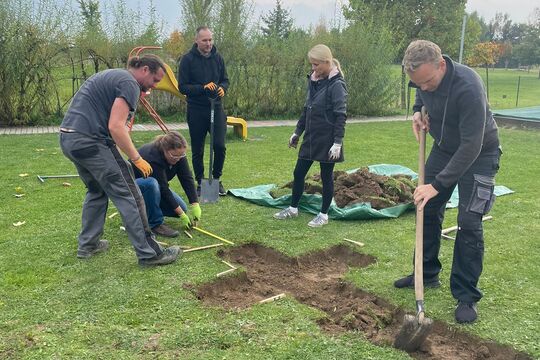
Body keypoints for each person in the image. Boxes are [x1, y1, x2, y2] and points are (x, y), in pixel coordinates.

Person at [394, 40, 501, 324]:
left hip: (479, 152)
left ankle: (466, 295)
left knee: (469, 220)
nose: (424, 87)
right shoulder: (423, 81)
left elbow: (471, 146)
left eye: (428, 81)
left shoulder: (468, 87)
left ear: (442, 65)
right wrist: (418, 111)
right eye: (418, 84)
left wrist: (437, 185)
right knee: (425, 207)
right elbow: (422, 95)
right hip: (444, 147)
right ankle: (425, 274)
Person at [59, 54, 181, 267]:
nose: (153, 87)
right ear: (144, 70)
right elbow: (115, 127)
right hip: (91, 141)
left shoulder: (113, 76)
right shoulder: (129, 83)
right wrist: (136, 158)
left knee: (96, 191)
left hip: (70, 139)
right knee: (131, 195)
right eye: (154, 80)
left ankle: (88, 245)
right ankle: (150, 254)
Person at [273, 44, 347, 227]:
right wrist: (297, 132)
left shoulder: (337, 85)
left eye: (316, 65)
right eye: (311, 65)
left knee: (326, 176)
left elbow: (340, 115)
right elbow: (307, 110)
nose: (313, 68)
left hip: (328, 139)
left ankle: (323, 215)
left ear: (327, 62)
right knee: (298, 173)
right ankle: (293, 209)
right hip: (311, 138)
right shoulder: (313, 81)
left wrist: (337, 142)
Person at [178, 26, 229, 196]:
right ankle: (200, 182)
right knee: (198, 148)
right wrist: (202, 88)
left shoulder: (218, 58)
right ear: (196, 41)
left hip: (217, 107)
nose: (208, 43)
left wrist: (222, 87)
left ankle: (216, 180)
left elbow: (225, 80)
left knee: (219, 146)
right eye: (204, 40)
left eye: (210, 40)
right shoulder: (187, 59)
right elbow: (182, 87)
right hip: (197, 110)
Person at [132, 131, 202, 238]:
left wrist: (195, 203)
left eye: (181, 155)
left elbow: (187, 178)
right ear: (165, 150)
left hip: (154, 189)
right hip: (135, 189)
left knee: (182, 207)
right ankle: (155, 224)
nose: (178, 159)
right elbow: (163, 189)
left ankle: (144, 213)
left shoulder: (179, 155)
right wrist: (181, 215)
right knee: (152, 183)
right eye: (174, 156)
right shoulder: (153, 157)